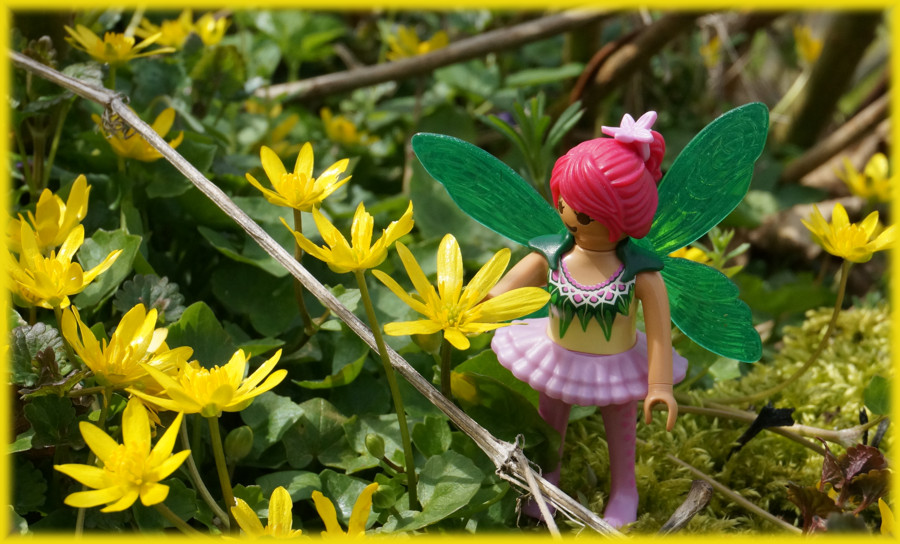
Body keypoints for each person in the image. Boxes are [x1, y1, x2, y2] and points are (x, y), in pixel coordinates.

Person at [488, 111, 688, 528]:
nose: (568, 217)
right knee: (550, 422)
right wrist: (474, 306)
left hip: (616, 362)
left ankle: (624, 490)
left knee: (621, 429)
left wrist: (660, 386)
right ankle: (547, 479)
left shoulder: (640, 273)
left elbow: (658, 334)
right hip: (557, 355)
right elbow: (502, 291)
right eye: (563, 204)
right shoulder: (553, 255)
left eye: (584, 214)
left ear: (623, 219)